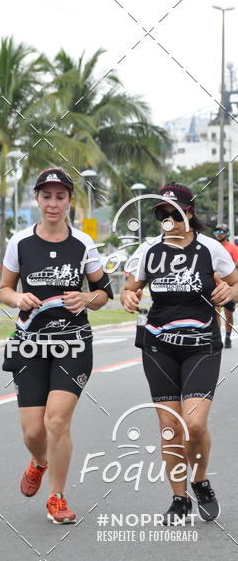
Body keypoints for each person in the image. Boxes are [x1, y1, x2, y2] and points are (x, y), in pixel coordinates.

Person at [0, 167, 112, 525]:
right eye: (46, 196)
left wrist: (86, 297)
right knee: (34, 431)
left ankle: (57, 497)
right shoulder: (19, 242)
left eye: (60, 196)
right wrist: (18, 299)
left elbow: (105, 293)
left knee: (57, 421)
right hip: (30, 344)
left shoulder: (83, 244)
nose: (53, 203)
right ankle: (40, 461)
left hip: (73, 343)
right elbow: (3, 289)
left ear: (69, 200)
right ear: (37, 199)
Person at [121, 183, 238, 524]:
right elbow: (131, 287)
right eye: (163, 214)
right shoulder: (147, 251)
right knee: (170, 426)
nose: (170, 220)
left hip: (202, 344)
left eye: (176, 213)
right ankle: (179, 498)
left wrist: (230, 289)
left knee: (195, 423)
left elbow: (236, 282)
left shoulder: (211, 249)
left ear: (189, 212)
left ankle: (200, 480)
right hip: (159, 345)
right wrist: (129, 297)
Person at [212, 223, 238, 348]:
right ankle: (218, 338)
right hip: (215, 286)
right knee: (216, 313)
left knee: (228, 314)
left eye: (221, 232)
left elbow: (236, 265)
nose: (219, 234)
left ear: (227, 233)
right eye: (216, 232)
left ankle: (227, 337)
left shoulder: (233, 248)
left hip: (228, 287)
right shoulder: (212, 247)